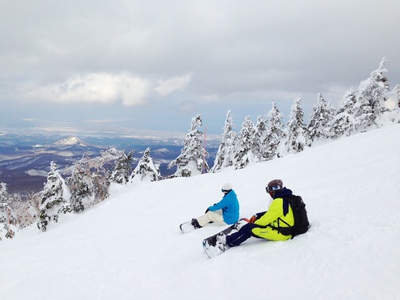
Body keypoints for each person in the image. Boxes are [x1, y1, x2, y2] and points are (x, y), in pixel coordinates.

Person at [218, 179, 295, 249]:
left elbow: (265, 220)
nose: (269, 193)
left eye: (269, 190)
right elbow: (273, 213)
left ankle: (229, 241)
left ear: (273, 190)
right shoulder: (285, 197)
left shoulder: (278, 202)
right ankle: (241, 231)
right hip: (283, 227)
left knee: (249, 229)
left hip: (281, 233)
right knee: (252, 224)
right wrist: (257, 215)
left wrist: (252, 224)